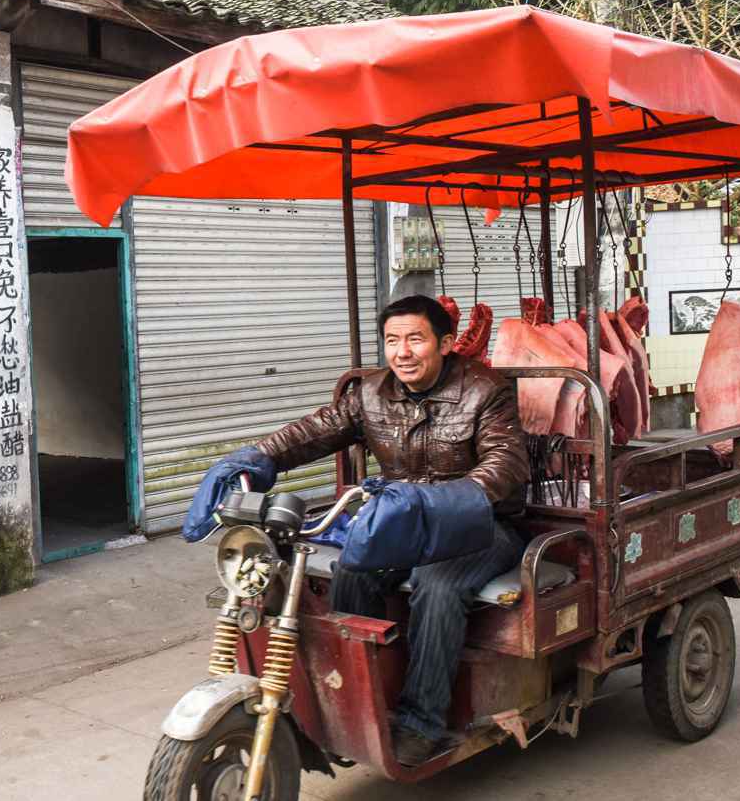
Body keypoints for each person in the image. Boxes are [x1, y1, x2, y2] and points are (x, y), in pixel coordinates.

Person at [199, 294, 528, 766]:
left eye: (415, 339)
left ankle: (421, 722)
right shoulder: (371, 392)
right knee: (353, 569)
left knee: (438, 586)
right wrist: (255, 457)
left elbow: (506, 464)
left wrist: (442, 500)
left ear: (446, 343)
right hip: (400, 523)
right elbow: (315, 430)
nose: (402, 352)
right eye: (392, 341)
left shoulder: (486, 391)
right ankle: (359, 700)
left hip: (480, 525)